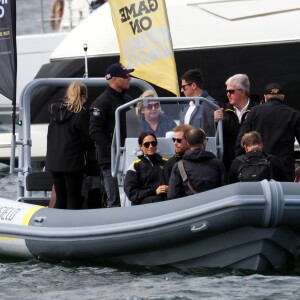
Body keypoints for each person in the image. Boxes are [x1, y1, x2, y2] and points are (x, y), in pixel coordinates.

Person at [89, 62, 134, 207]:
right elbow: (95, 132)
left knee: (133, 196)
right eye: (126, 75)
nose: (129, 78)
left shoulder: (128, 101)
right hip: (110, 160)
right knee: (114, 200)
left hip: (130, 156)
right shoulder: (101, 102)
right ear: (113, 79)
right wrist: (113, 151)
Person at [235, 82, 300, 181]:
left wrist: (241, 164)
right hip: (284, 169)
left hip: (257, 168)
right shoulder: (293, 114)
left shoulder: (254, 112)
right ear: (282, 97)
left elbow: (240, 140)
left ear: (265, 97)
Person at [45, 81, 91, 209]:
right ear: (82, 96)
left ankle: (56, 226)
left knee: (60, 198)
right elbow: (87, 139)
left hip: (54, 162)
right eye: (86, 98)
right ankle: (72, 227)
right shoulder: (80, 114)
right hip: (72, 163)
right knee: (73, 199)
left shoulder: (55, 112)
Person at [167, 128, 228, 199]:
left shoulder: (179, 166)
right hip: (214, 206)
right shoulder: (218, 164)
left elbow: (172, 196)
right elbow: (225, 190)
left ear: (188, 143)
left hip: (191, 208)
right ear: (204, 142)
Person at [214, 73, 257, 171]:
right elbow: (213, 138)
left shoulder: (257, 110)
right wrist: (215, 122)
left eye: (231, 91)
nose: (228, 94)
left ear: (242, 92)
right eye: (227, 91)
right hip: (228, 165)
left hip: (252, 165)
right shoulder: (222, 110)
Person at [124, 132, 169, 205]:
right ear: (141, 146)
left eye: (153, 143)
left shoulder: (167, 163)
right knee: (157, 199)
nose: (150, 146)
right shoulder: (135, 167)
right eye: (146, 144)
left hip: (166, 202)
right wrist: (154, 191)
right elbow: (132, 194)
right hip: (144, 206)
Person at [179, 69, 219, 136]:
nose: (182, 90)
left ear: (193, 85)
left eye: (183, 87)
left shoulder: (210, 104)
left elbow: (213, 133)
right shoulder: (186, 105)